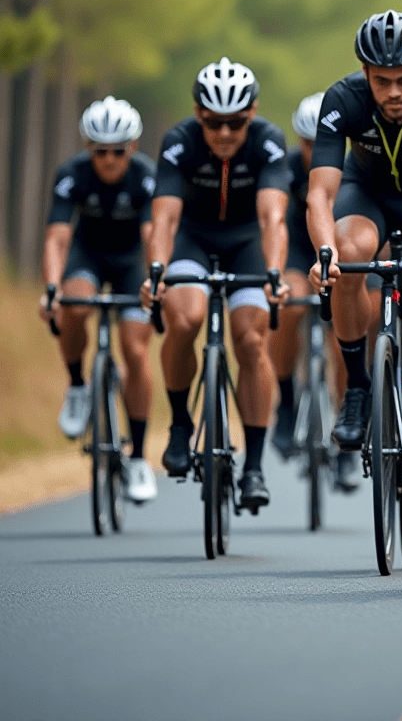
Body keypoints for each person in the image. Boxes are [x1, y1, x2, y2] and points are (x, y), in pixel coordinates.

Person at [306, 11, 402, 531]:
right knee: (350, 252)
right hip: (366, 196)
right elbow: (320, 193)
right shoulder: (343, 100)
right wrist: (325, 252)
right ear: (364, 74)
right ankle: (356, 387)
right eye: (381, 81)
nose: (393, 92)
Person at [143, 58, 289, 511]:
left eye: (236, 123)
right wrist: (156, 271)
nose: (224, 134)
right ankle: (182, 423)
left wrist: (274, 272)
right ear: (196, 113)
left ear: (253, 112)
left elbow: (272, 218)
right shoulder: (178, 141)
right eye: (212, 122)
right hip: (193, 241)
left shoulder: (267, 141)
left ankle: (256, 467)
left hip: (247, 244)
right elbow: (164, 219)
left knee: (250, 340)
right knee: (184, 318)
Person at [39, 97, 158, 504]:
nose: (109, 160)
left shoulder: (145, 177)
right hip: (87, 257)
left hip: (131, 264)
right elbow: (57, 237)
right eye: (100, 150)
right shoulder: (72, 174)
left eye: (118, 150)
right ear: (88, 147)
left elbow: (151, 237)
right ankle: (76, 386)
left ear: (134, 146)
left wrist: (155, 283)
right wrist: (52, 289)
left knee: (135, 349)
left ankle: (140, 457)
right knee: (74, 305)